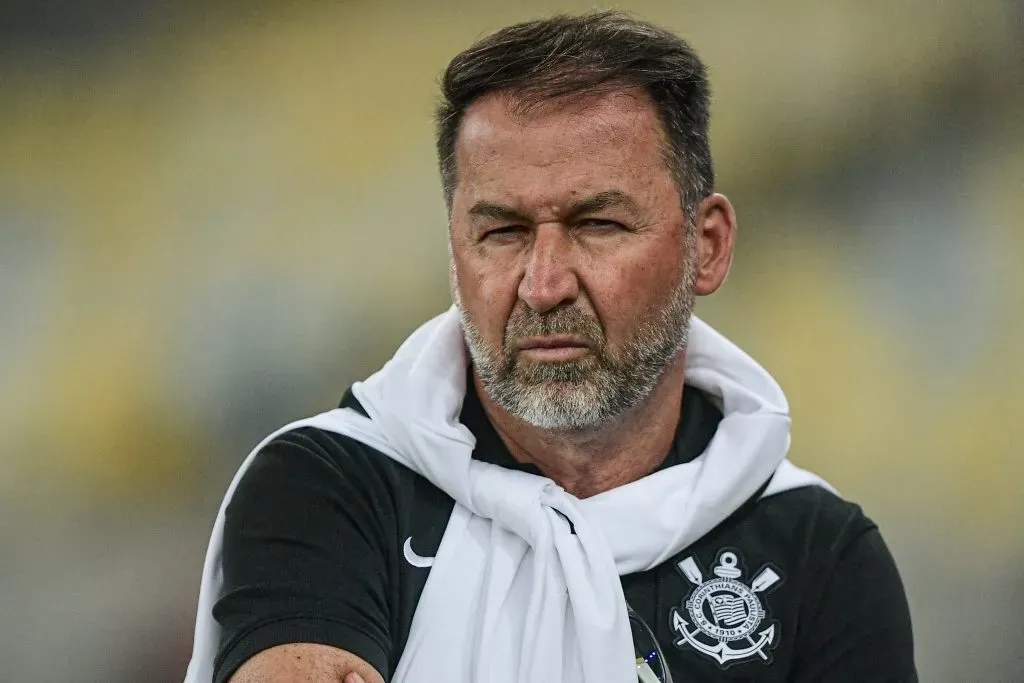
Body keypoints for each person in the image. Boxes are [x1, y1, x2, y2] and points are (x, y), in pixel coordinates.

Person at [184, 11, 916, 683]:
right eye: (502, 232)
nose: (542, 285)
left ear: (707, 246)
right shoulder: (329, 488)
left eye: (597, 223)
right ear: (454, 251)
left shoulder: (821, 552)